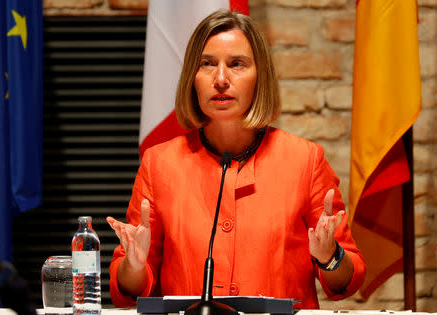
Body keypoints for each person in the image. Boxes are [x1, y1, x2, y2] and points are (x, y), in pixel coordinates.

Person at [107, 9, 366, 309]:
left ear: (260, 76)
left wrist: (329, 256)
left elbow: (350, 279)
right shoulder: (159, 164)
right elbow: (125, 289)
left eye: (236, 64)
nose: (220, 79)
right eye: (207, 64)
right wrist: (135, 267)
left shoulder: (305, 161)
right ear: (192, 76)